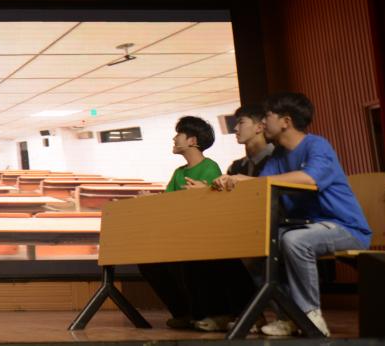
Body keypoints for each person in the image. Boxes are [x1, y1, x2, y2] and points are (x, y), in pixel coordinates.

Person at [213, 92, 371, 337]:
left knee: (294, 240)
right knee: (253, 246)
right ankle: (288, 316)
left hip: (345, 228)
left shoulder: (317, 145)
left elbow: (309, 178)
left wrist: (248, 180)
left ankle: (309, 316)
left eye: (267, 116)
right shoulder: (278, 156)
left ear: (286, 121)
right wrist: (230, 181)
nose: (263, 122)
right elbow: (262, 185)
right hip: (305, 227)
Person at [140, 116, 252, 332]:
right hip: (180, 233)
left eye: (179, 134)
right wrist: (151, 200)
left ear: (192, 141)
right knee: (149, 262)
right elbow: (169, 202)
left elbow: (213, 204)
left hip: (203, 235)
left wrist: (203, 191)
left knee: (198, 257)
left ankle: (214, 312)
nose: (174, 138)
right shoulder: (179, 172)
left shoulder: (210, 167)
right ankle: (184, 312)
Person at [226, 104, 274, 177]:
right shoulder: (235, 167)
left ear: (259, 127)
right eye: (236, 123)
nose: (235, 128)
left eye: (241, 122)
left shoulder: (278, 159)